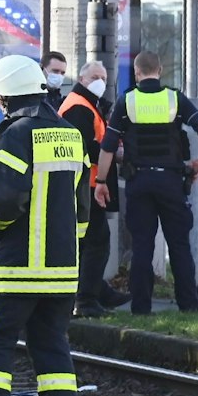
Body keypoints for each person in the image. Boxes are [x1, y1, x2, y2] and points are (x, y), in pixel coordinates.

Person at [0, 54, 87, 396]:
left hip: (14, 270)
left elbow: (2, 199)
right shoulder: (71, 134)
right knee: (52, 347)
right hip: (62, 271)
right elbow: (83, 208)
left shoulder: (18, 134)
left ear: (6, 97)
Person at [95, 51, 198, 315]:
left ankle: (141, 309)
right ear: (159, 70)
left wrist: (101, 181)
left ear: (137, 73)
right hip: (171, 181)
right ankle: (189, 307)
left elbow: (108, 147)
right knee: (180, 245)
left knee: (142, 247)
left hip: (139, 182)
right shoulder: (175, 99)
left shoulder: (127, 101)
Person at [61, 62, 118, 317]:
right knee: (97, 242)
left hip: (86, 184)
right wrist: (110, 152)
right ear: (82, 78)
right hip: (85, 185)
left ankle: (95, 291)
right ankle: (86, 300)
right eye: (95, 76)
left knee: (89, 243)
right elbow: (80, 146)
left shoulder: (86, 104)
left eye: (103, 77)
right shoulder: (78, 107)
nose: (100, 81)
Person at [40, 51, 70, 116]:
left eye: (62, 73)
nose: (59, 76)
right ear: (42, 69)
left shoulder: (59, 100)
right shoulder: (33, 98)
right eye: (55, 71)